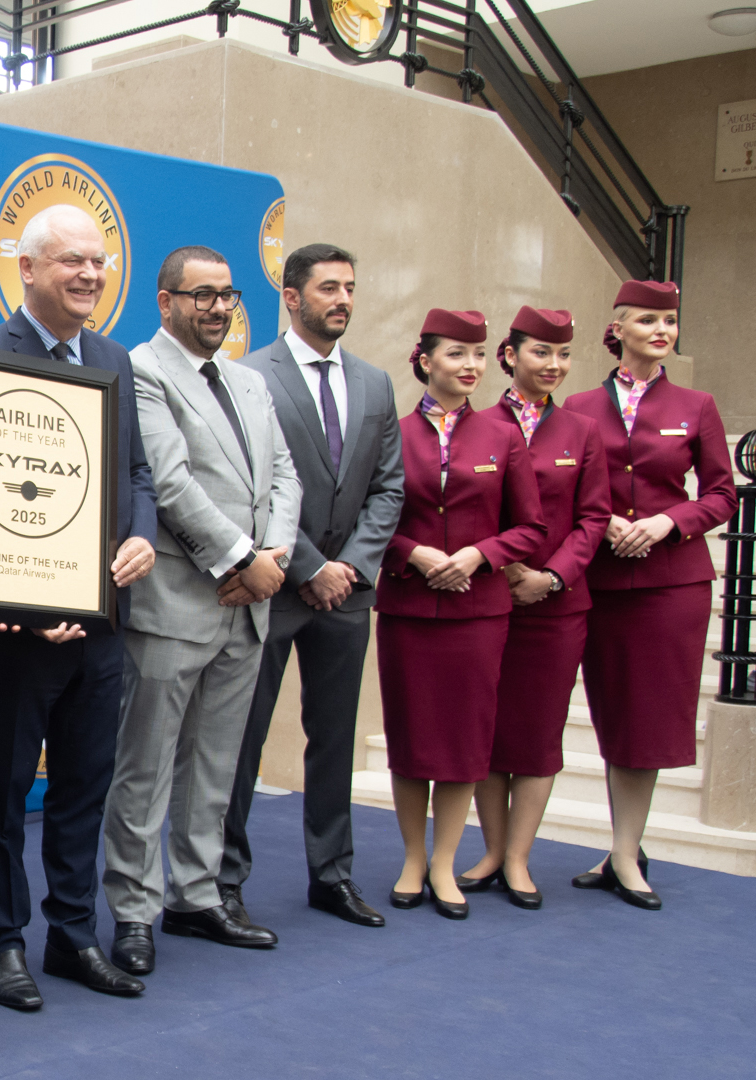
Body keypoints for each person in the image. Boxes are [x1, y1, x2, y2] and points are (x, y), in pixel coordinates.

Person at [0, 204, 157, 1009]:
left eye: (98, 261)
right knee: (5, 795)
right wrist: (21, 597)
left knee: (83, 789)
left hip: (103, 625)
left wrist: (142, 536)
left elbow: (138, 474)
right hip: (18, 634)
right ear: (28, 268)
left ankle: (73, 935)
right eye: (72, 260)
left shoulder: (114, 358)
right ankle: (3, 944)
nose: (89, 274)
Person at [103, 246, 301, 972]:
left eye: (227, 295)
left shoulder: (249, 382)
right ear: (166, 302)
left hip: (247, 608)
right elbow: (169, 483)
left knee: (215, 766)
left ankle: (194, 896)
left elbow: (284, 475)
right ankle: (133, 910)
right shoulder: (141, 370)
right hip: (174, 604)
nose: (218, 308)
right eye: (202, 295)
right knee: (146, 768)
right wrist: (245, 561)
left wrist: (272, 559)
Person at [222, 243, 403, 931]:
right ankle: (222, 881)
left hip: (347, 594)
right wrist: (309, 567)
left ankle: (332, 875)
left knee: (334, 740)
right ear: (292, 297)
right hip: (273, 586)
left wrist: (349, 568)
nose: (343, 299)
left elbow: (388, 487)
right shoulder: (249, 376)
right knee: (242, 740)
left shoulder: (376, 384)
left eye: (350, 287)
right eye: (329, 287)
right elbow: (250, 487)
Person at [561, 280, 735, 911]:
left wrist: (667, 522)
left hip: (671, 584)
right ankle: (622, 849)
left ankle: (625, 853)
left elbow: (722, 493)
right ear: (618, 328)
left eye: (670, 320)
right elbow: (563, 485)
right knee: (614, 711)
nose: (662, 330)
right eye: (648, 319)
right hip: (602, 579)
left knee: (649, 718)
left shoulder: (697, 405)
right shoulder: (578, 405)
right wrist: (603, 520)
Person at [375, 309, 543, 920]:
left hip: (478, 613)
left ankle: (445, 862)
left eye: (477, 355)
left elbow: (531, 527)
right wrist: (413, 554)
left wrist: (479, 554)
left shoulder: (503, 435)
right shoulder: (391, 433)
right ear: (425, 361)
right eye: (455, 354)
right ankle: (412, 859)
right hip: (408, 610)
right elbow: (369, 520)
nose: (470, 366)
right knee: (411, 738)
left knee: (463, 741)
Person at [458, 306, 610, 908]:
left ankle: (519, 858)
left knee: (540, 733)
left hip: (556, 607)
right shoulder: (476, 425)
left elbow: (593, 518)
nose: (554, 364)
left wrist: (551, 577)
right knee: (488, 729)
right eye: (541, 352)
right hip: (488, 601)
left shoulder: (581, 431)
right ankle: (492, 852)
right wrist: (505, 569)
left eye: (563, 354)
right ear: (509, 355)